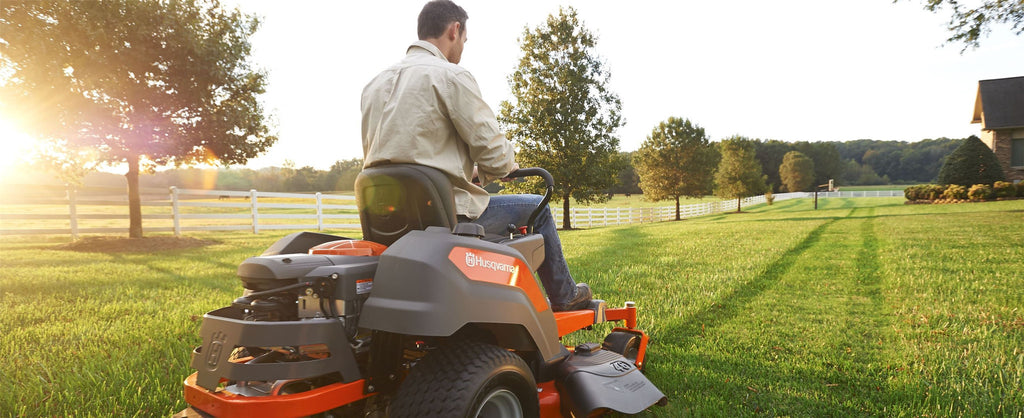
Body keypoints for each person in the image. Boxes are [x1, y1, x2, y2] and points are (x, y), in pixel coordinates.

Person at [360, 0, 592, 312]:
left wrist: (469, 173)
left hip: (390, 221)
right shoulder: (450, 76)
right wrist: (508, 165)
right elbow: (495, 158)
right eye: (465, 41)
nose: (462, 49)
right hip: (446, 219)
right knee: (537, 207)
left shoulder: (374, 84)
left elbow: (407, 159)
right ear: (454, 30)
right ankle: (564, 295)